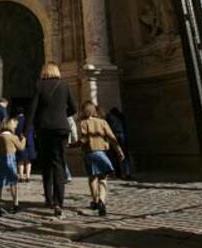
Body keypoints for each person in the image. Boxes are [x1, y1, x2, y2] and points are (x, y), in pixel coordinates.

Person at [28, 61, 76, 217]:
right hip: (61, 128)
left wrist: (26, 130)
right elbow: (74, 108)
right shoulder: (64, 86)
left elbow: (33, 109)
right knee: (59, 164)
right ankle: (59, 202)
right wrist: (62, 116)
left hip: (44, 128)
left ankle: (48, 199)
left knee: (46, 163)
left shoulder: (39, 85)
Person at [79, 101, 125, 216]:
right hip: (101, 153)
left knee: (92, 177)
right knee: (103, 179)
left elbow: (84, 140)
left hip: (89, 154)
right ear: (94, 110)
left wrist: (73, 144)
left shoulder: (83, 123)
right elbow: (112, 137)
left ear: (84, 111)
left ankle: (95, 201)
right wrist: (119, 151)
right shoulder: (102, 122)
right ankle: (102, 202)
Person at [106, 107, 131, 179]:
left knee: (115, 155)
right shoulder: (121, 116)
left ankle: (118, 173)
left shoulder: (109, 117)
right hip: (122, 135)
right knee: (125, 155)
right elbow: (125, 126)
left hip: (114, 136)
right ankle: (127, 172)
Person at [15, 106, 36, 183]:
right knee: (28, 160)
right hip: (29, 142)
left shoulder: (16, 121)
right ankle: (28, 176)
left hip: (20, 142)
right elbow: (33, 131)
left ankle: (21, 176)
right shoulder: (29, 120)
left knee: (20, 160)